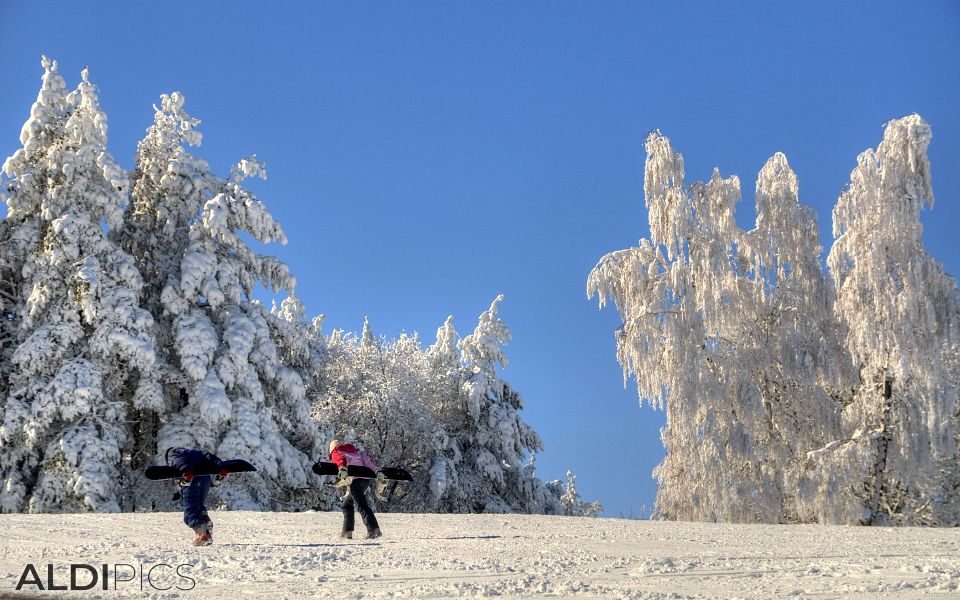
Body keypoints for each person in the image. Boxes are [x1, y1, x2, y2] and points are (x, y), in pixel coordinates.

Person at [165, 447, 229, 546]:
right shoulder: (198, 452)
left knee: (191, 510)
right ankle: (205, 520)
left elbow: (178, 461)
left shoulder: (173, 453)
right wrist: (220, 468)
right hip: (206, 479)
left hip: (192, 479)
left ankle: (203, 536)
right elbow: (210, 457)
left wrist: (185, 470)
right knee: (199, 505)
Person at [329, 439, 386, 539]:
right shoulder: (357, 451)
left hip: (354, 480)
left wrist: (342, 468)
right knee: (347, 504)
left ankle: (374, 530)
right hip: (365, 480)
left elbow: (340, 458)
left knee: (361, 504)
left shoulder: (336, 451)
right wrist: (377, 471)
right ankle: (347, 531)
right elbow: (368, 461)